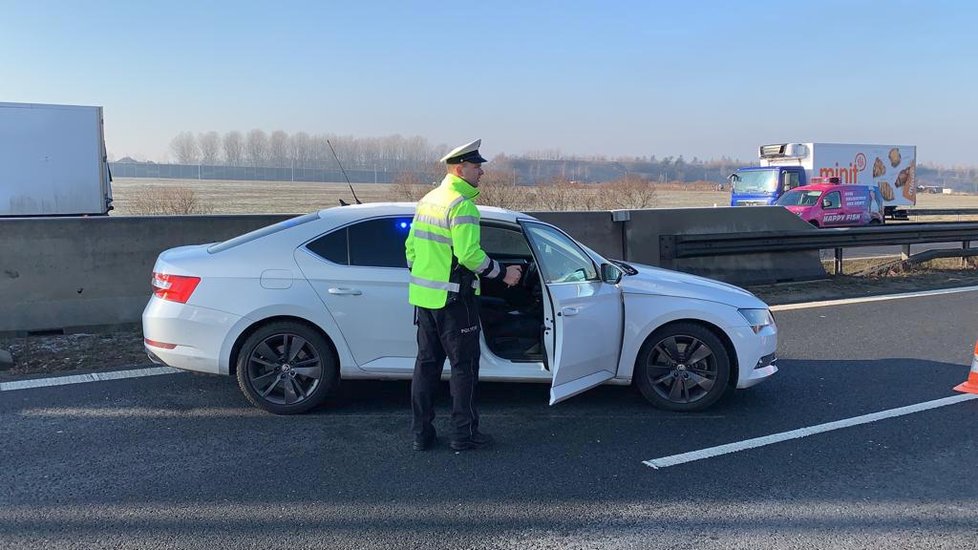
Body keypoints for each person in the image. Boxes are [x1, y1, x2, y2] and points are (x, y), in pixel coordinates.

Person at [405, 139, 522, 451]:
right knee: (464, 368)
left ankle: (421, 434)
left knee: (426, 366)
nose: (481, 172)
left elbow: (410, 250)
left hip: (425, 301)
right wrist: (503, 273)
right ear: (460, 169)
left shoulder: (428, 200)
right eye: (476, 166)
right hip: (456, 302)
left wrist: (427, 277)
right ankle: (463, 435)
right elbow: (470, 255)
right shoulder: (462, 205)